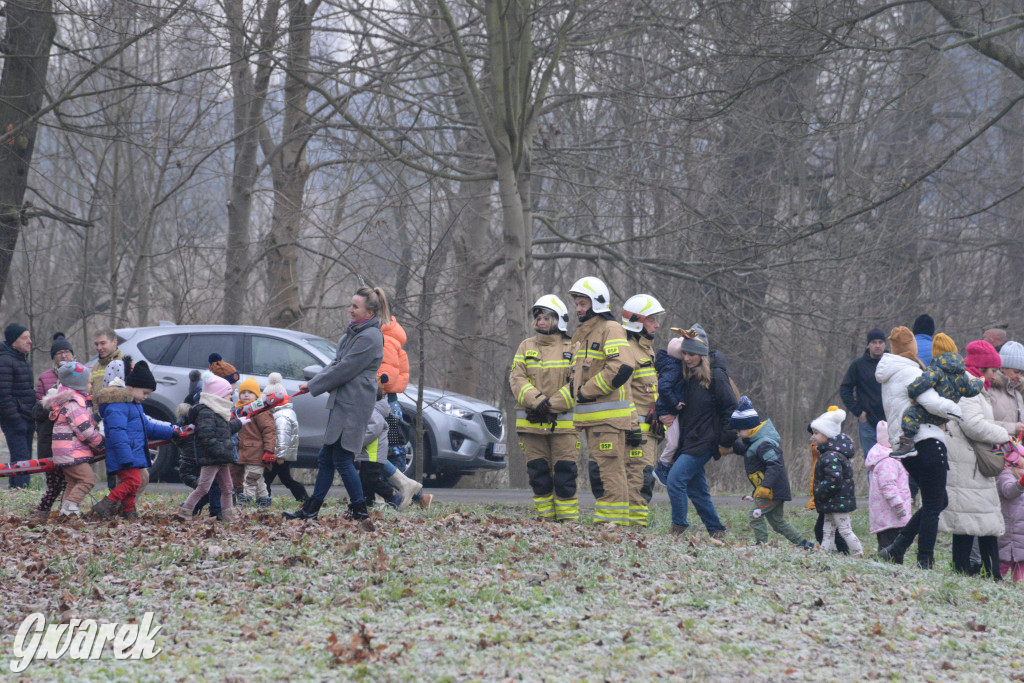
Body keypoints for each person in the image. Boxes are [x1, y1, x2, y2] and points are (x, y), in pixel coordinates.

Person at [284, 286, 387, 530]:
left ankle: (361, 512)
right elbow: (336, 362)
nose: (349, 310)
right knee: (327, 458)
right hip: (343, 402)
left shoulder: (369, 337)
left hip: (354, 405)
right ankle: (311, 510)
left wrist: (313, 385)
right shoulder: (354, 333)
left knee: (342, 458)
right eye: (350, 305)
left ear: (369, 313)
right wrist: (314, 382)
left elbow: (345, 368)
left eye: (355, 306)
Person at [545, 277, 634, 526]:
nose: (578, 308)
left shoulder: (610, 329)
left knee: (607, 473)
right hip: (593, 421)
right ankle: (609, 524)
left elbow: (622, 367)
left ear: (597, 303)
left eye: (583, 303)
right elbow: (575, 382)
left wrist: (587, 392)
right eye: (577, 304)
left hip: (608, 421)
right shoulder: (584, 336)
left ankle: (613, 526)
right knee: (600, 473)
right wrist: (552, 406)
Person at [876, 327, 964, 569]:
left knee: (937, 501)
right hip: (927, 442)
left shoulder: (890, 374)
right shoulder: (911, 372)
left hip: (906, 447)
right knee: (935, 505)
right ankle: (925, 559)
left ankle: (897, 547)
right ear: (913, 350)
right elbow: (931, 402)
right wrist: (958, 410)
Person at [655, 324, 736, 538]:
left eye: (692, 353)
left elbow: (731, 409)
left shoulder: (716, 377)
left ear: (702, 354)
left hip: (705, 441)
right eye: (685, 353)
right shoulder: (685, 376)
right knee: (697, 491)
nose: (687, 357)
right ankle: (716, 530)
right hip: (688, 441)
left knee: (675, 479)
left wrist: (725, 442)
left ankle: (678, 526)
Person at [937, 340, 1009, 580]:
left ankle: (972, 570)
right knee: (973, 519)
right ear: (982, 368)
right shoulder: (970, 388)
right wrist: (1003, 435)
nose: (997, 374)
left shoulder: (974, 386)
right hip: (967, 463)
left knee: (975, 519)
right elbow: (973, 424)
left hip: (971, 462)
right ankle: (978, 571)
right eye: (994, 369)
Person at [509, 294, 580, 521]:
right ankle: (545, 520)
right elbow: (516, 379)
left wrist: (550, 404)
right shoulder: (526, 346)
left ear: (558, 320)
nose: (540, 322)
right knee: (538, 475)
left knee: (565, 474)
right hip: (531, 425)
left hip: (565, 426)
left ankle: (568, 522)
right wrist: (537, 401)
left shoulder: (573, 346)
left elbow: (577, 382)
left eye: (546, 317)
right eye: (538, 318)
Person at [92, 361, 181, 520]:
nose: (145, 397)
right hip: (125, 455)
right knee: (133, 481)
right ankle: (106, 504)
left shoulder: (134, 405)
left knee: (134, 484)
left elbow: (148, 427)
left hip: (133, 453)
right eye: (144, 393)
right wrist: (125, 457)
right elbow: (117, 434)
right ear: (132, 387)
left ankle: (128, 511)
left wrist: (171, 432)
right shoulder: (117, 406)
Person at [729, 396, 812, 548]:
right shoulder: (755, 442)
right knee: (777, 522)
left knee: (755, 514)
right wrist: (730, 444)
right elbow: (747, 452)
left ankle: (761, 544)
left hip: (770, 490)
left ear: (749, 427)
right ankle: (803, 543)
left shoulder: (764, 444)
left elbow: (775, 464)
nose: (739, 434)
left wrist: (766, 486)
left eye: (739, 430)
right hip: (772, 490)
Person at [888, 333, 982, 458]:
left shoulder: (935, 370)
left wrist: (911, 390)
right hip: (945, 417)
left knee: (910, 415)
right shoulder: (962, 375)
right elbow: (971, 391)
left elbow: (923, 383)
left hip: (930, 413)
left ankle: (907, 443)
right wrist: (978, 382)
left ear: (935, 353)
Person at [621, 294, 664, 527]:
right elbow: (624, 393)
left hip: (649, 432)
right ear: (637, 322)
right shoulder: (628, 351)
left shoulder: (647, 351)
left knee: (644, 478)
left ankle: (636, 528)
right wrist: (632, 426)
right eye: (652, 320)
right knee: (639, 478)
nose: (657, 325)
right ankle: (634, 531)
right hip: (636, 433)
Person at [176, 373, 242, 523]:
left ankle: (227, 514)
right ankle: (185, 511)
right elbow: (206, 437)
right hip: (211, 458)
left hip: (220, 457)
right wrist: (219, 451)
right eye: (228, 395)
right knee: (203, 487)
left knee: (228, 487)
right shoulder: (206, 413)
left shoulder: (219, 412)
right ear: (218, 396)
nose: (231, 398)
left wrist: (239, 423)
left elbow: (223, 431)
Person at [49, 362, 104, 517]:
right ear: (78, 385)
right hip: (72, 452)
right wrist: (101, 443)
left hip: (66, 451)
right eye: (88, 382)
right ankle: (69, 509)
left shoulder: (72, 401)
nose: (90, 385)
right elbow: (85, 430)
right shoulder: (74, 403)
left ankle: (64, 514)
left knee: (73, 482)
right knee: (87, 480)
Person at [810, 407, 863, 556]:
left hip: (837, 501)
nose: (813, 437)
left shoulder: (831, 456)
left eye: (816, 433)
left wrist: (820, 491)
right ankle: (824, 553)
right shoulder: (828, 453)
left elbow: (834, 479)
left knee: (845, 530)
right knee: (827, 530)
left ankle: (858, 555)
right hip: (832, 502)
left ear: (827, 435)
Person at [864, 420, 912, 558]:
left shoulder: (887, 458)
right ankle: (890, 568)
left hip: (888, 515)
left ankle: (888, 566)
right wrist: (898, 504)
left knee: (888, 545)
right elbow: (887, 486)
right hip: (891, 515)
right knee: (891, 547)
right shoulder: (888, 461)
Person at [260, 373, 308, 505]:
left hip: (279, 455)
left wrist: (280, 456)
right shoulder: (281, 412)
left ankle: (264, 502)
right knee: (286, 479)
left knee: (267, 479)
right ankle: (303, 498)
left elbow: (282, 436)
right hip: (281, 454)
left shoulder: (281, 415)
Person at [839, 327, 886, 457]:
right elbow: (845, 389)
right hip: (868, 422)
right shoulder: (858, 365)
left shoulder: (892, 362)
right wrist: (858, 412)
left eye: (880, 342)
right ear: (868, 344)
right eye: (874, 342)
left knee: (893, 462)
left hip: (890, 421)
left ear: (885, 344)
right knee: (871, 461)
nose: (877, 346)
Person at [0, 323, 35, 488]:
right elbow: (3, 396)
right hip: (15, 421)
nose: (30, 341)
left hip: (27, 418)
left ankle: (15, 491)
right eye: (24, 338)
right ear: (14, 341)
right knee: (22, 461)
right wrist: (17, 421)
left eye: (29, 337)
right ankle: (22, 493)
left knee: (21, 459)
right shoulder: (5, 361)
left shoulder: (23, 360)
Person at [234, 376, 275, 508]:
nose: (246, 395)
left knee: (250, 479)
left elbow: (269, 431)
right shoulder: (237, 411)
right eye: (243, 392)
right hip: (243, 453)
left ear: (257, 395)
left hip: (257, 453)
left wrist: (269, 450)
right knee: (258, 480)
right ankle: (264, 501)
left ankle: (245, 504)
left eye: (250, 392)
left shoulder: (260, 411)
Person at [989, 340, 1024, 438]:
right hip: (992, 450)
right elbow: (980, 424)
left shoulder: (1017, 394)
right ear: (1002, 368)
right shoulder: (988, 389)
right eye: (1016, 371)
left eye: (1021, 373)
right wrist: (1013, 428)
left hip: (1014, 450)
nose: (1019, 376)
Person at [996, 461, 1024, 582]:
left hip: (1021, 535)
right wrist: (1022, 482)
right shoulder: (1005, 475)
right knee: (1003, 563)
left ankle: (1018, 591)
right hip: (1010, 535)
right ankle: (994, 585)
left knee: (1021, 569)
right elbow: (1009, 491)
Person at [35, 332, 74, 399]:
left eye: (67, 352)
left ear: (72, 354)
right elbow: (39, 404)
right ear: (53, 357)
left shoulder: (81, 373)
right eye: (59, 353)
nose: (63, 356)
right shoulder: (44, 378)